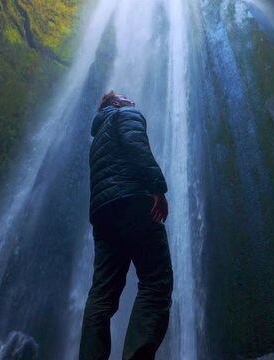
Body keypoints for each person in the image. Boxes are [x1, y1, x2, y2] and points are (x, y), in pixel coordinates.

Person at [79, 91, 174, 360]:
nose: (131, 99)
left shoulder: (96, 141)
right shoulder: (125, 114)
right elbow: (137, 148)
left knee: (101, 294)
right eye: (124, 96)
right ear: (115, 103)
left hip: (103, 216)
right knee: (156, 282)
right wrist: (158, 188)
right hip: (133, 203)